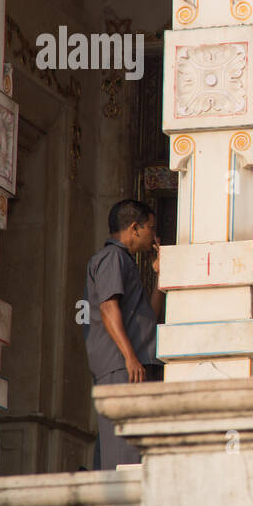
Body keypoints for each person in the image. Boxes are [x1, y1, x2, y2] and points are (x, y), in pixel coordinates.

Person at [83, 199, 164, 469]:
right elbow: (108, 308)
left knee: (136, 448)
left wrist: (159, 280)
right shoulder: (111, 258)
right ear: (134, 228)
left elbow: (147, 318)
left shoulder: (126, 263)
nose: (154, 235)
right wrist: (129, 357)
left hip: (136, 365)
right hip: (122, 366)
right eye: (151, 228)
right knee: (123, 452)